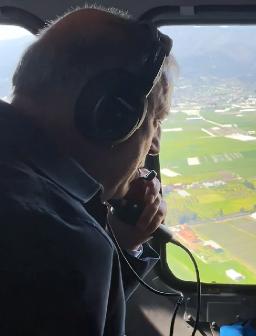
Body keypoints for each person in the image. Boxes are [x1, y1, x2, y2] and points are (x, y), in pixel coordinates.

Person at [0, 7, 176, 335]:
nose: (154, 147)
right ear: (112, 114)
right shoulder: (62, 245)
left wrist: (120, 245)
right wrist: (94, 245)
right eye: (155, 122)